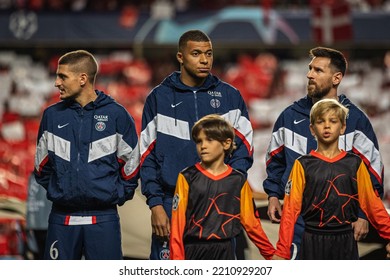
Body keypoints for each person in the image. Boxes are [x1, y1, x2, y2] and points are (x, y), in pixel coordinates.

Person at [140, 30, 254, 260]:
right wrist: (155, 205)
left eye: (208, 54)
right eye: (196, 54)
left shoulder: (230, 96)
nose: (204, 60)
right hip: (170, 202)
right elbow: (147, 157)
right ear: (180, 57)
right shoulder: (158, 98)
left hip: (218, 204)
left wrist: (227, 187)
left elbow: (244, 149)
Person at [264, 46, 384, 259]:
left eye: (318, 70)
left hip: (341, 226)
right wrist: (273, 194)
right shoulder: (288, 116)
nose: (309, 75)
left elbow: (371, 172)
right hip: (296, 224)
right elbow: (275, 160)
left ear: (336, 78)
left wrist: (363, 215)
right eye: (310, 69)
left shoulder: (355, 121)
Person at [33, 50, 140, 260]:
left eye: (62, 76)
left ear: (83, 78)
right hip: (61, 219)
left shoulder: (117, 116)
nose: (56, 83)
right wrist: (62, 191)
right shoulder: (51, 116)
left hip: (103, 219)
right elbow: (41, 168)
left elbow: (132, 167)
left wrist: (113, 195)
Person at [272, 99, 390, 260]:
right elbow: (290, 211)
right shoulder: (302, 164)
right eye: (320, 122)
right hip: (312, 240)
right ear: (312, 129)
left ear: (342, 128)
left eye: (333, 121)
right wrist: (282, 251)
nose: (327, 126)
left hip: (345, 240)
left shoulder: (355, 164)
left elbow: (372, 204)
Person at [169, 114, 274, 260]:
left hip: (226, 251)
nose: (203, 145)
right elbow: (177, 225)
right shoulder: (187, 176)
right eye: (199, 141)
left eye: (209, 140)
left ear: (226, 143)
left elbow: (251, 223)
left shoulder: (237, 180)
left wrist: (270, 255)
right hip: (193, 251)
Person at [25, 172, 52, 260]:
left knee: (40, 254)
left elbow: (30, 199)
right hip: (46, 222)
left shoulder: (32, 177)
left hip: (36, 223)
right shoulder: (49, 175)